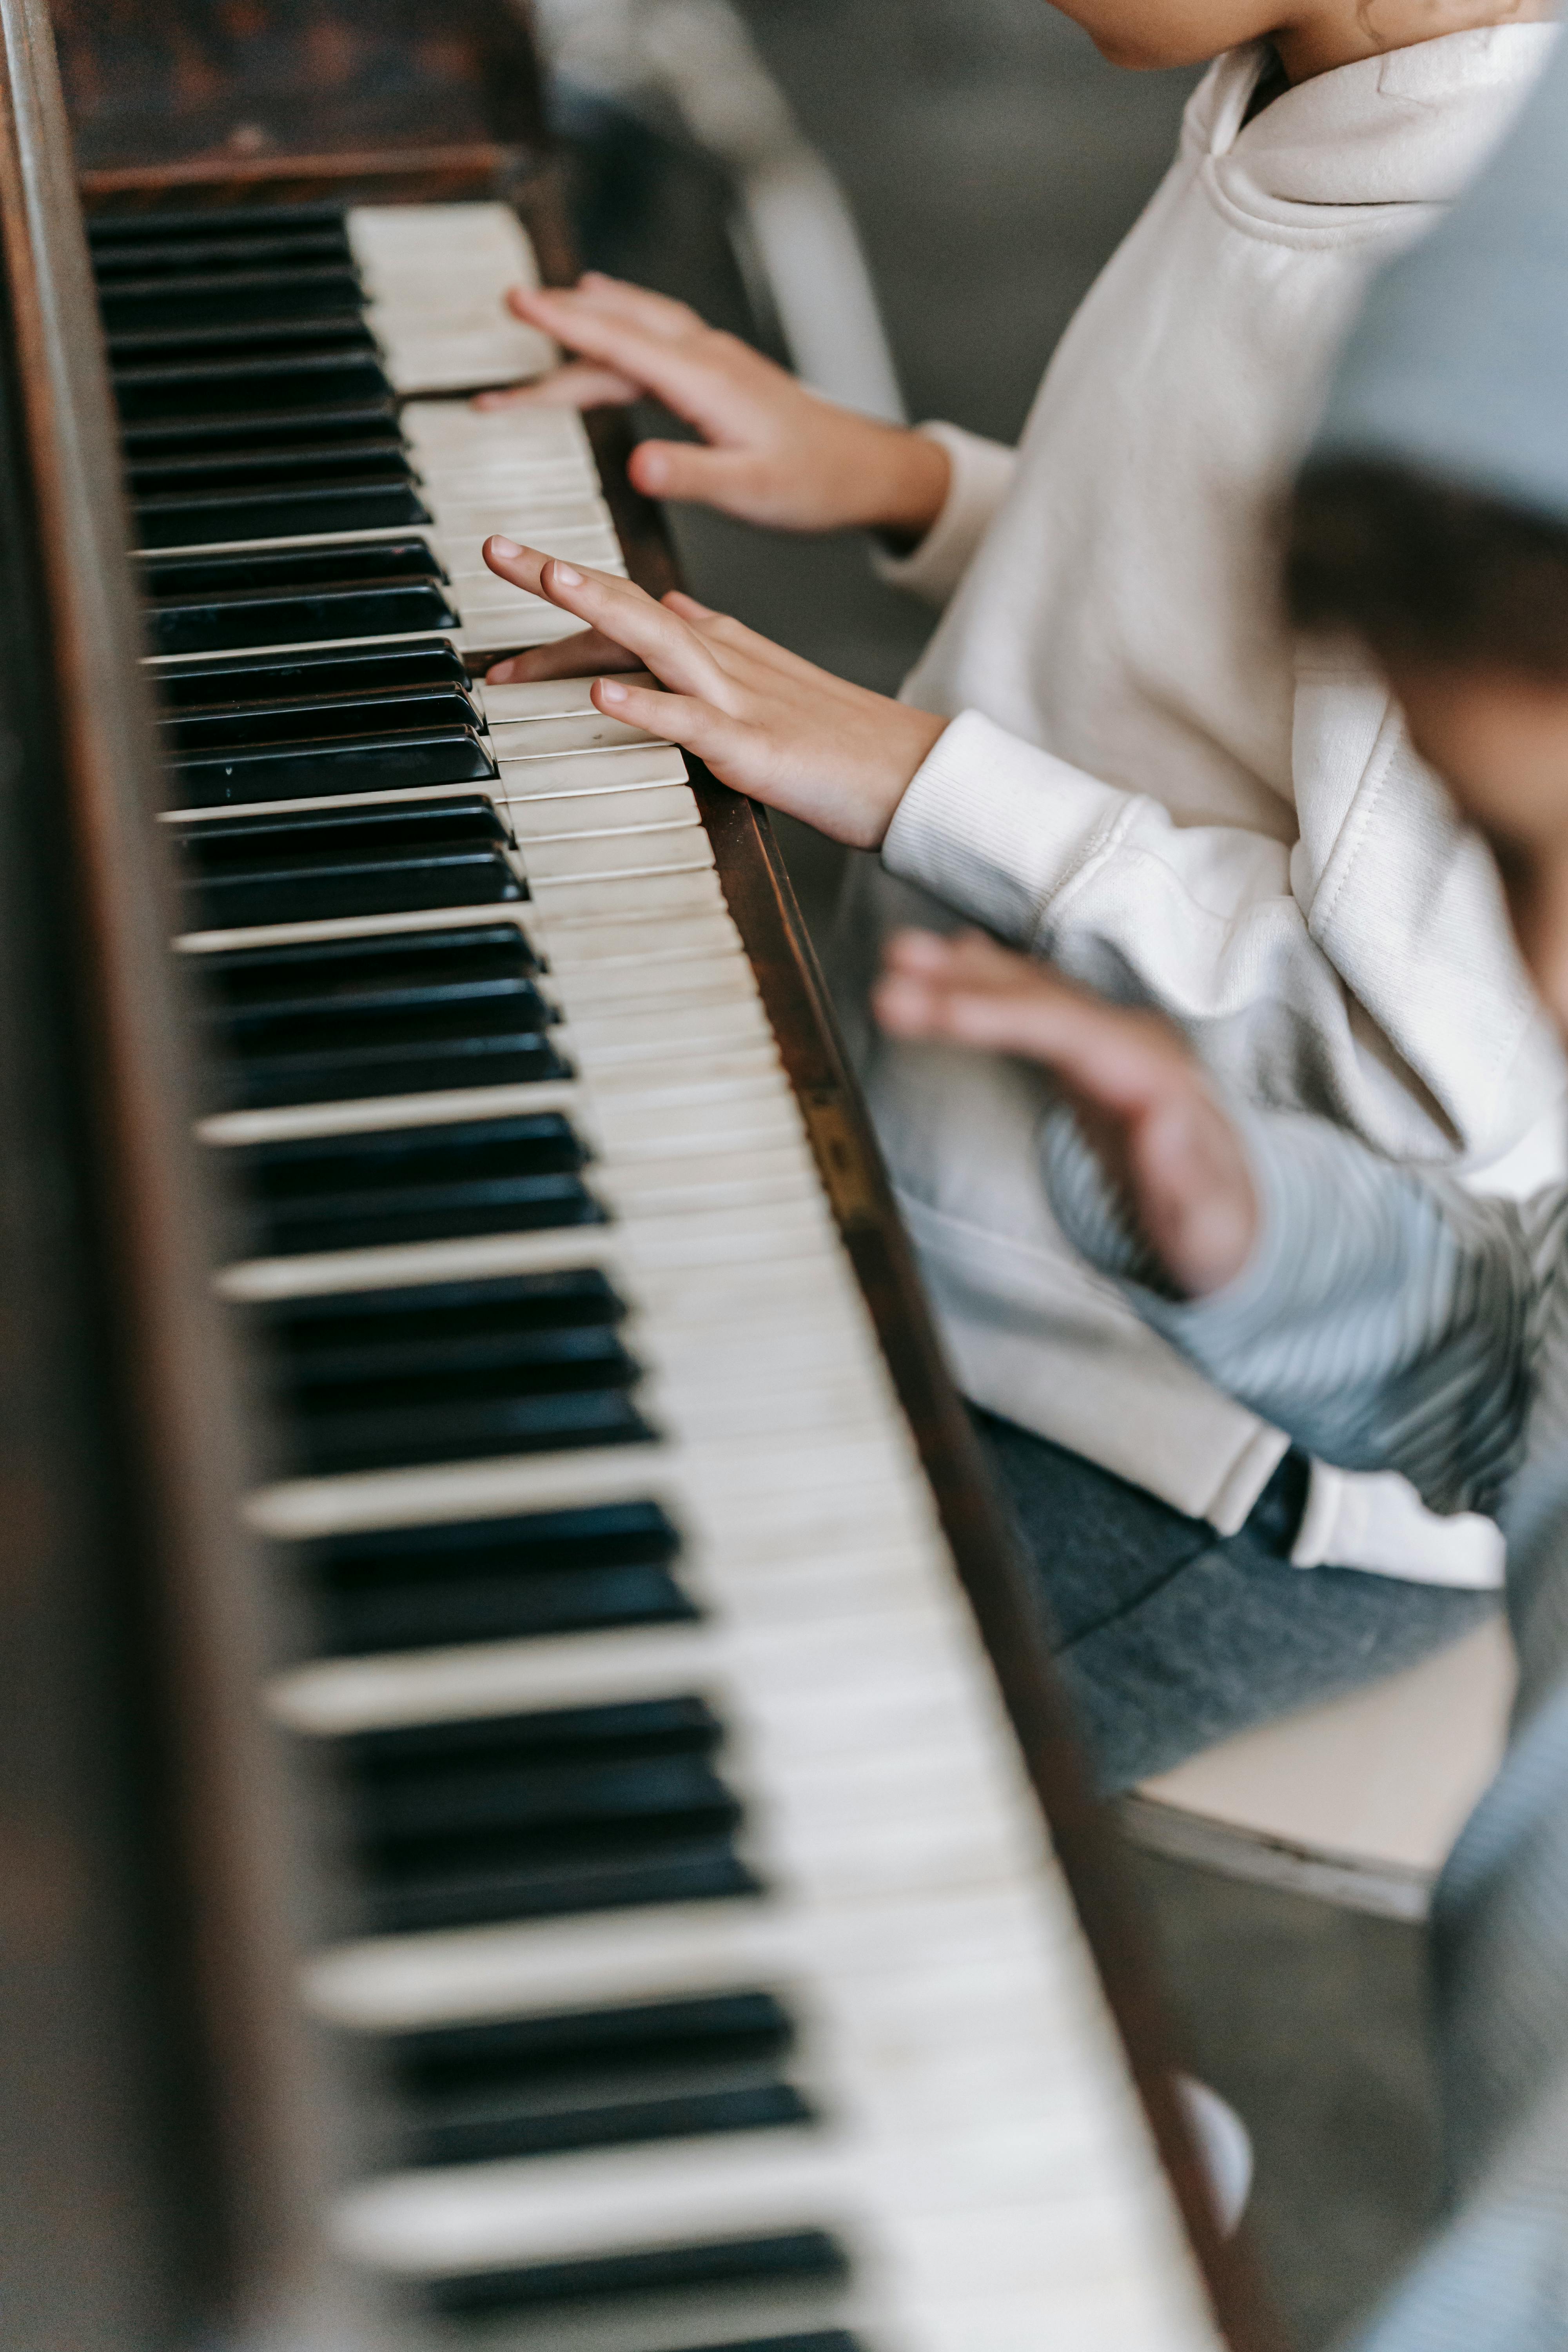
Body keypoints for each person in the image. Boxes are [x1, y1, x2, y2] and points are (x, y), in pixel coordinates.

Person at [475, 0, 1564, 1786]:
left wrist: (919, 779)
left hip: (1198, 1446)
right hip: (986, 1235)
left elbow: (1434, 1062)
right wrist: (908, 482)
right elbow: (1217, 638)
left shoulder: (1483, 316)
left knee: (604, 1766)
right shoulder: (1317, 100)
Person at [878, 31, 1568, 2342]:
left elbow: (1526, 2256)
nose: (1540, 978)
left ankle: (1060, 2149)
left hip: (1221, 1490)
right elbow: (1509, 1351)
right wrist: (1259, 1228)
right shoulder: (1376, 185)